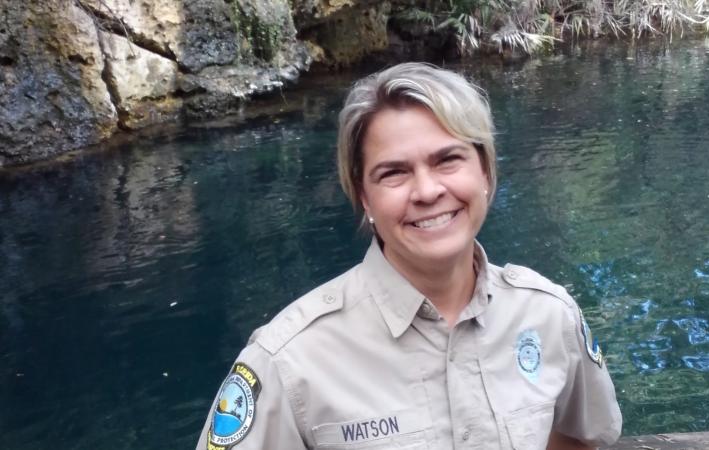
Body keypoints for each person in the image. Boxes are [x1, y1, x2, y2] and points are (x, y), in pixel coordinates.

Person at [196, 62, 622, 450]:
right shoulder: (288, 360)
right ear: (364, 195)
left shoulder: (549, 317)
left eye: (448, 160)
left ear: (486, 172)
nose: (427, 191)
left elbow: (578, 439)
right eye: (394, 173)